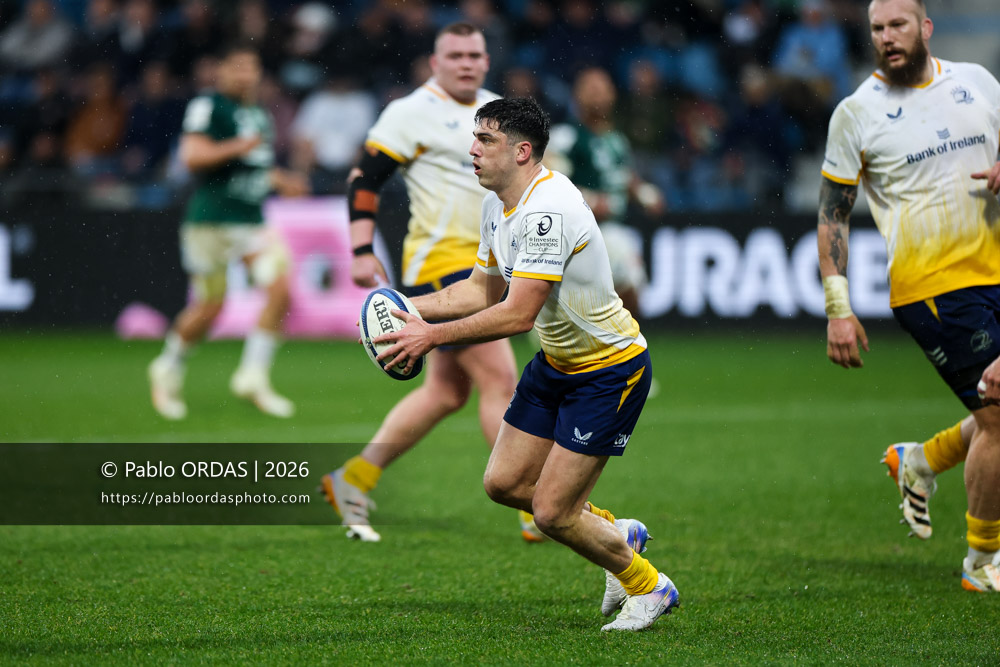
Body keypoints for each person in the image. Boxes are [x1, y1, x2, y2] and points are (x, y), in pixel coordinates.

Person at [372, 96, 678, 631]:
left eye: (485, 140)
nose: (472, 149)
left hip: (608, 371)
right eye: (474, 137)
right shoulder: (498, 204)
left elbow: (516, 313)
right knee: (505, 484)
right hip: (557, 364)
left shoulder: (547, 210)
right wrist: (401, 308)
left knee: (552, 513)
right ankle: (616, 533)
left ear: (522, 151)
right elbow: (478, 291)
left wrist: (430, 337)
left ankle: (649, 586)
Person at [818, 0, 1000, 592]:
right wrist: (838, 310)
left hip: (995, 267)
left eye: (898, 25)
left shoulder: (976, 83)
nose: (887, 38)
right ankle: (982, 560)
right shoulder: (856, 114)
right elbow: (833, 217)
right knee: (999, 418)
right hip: (933, 286)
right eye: (876, 28)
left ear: (925, 27)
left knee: (997, 410)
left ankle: (919, 460)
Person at [318, 23, 523, 544]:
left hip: (488, 261)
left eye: (475, 54)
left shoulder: (498, 108)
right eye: (455, 54)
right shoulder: (410, 112)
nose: (466, 63)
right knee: (500, 380)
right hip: (444, 264)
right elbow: (365, 178)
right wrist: (362, 249)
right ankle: (535, 498)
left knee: (446, 391)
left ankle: (354, 478)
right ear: (435, 61)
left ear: (486, 59)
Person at [148, 42, 308, 421]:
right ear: (219, 71)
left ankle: (252, 376)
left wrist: (281, 179)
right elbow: (191, 156)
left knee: (280, 290)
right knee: (209, 308)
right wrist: (237, 146)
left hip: (251, 220)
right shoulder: (209, 106)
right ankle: (168, 366)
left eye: (251, 67)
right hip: (211, 222)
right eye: (236, 66)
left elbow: (253, 167)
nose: (245, 74)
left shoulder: (256, 113)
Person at [545, 66, 663, 316]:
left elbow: (623, 177)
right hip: (583, 231)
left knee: (626, 294)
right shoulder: (567, 136)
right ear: (577, 96)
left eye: (602, 89)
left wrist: (645, 194)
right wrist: (589, 200)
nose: (597, 95)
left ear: (612, 95)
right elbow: (547, 178)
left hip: (613, 227)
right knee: (628, 291)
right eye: (591, 89)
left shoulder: (616, 139)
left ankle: (608, 346)